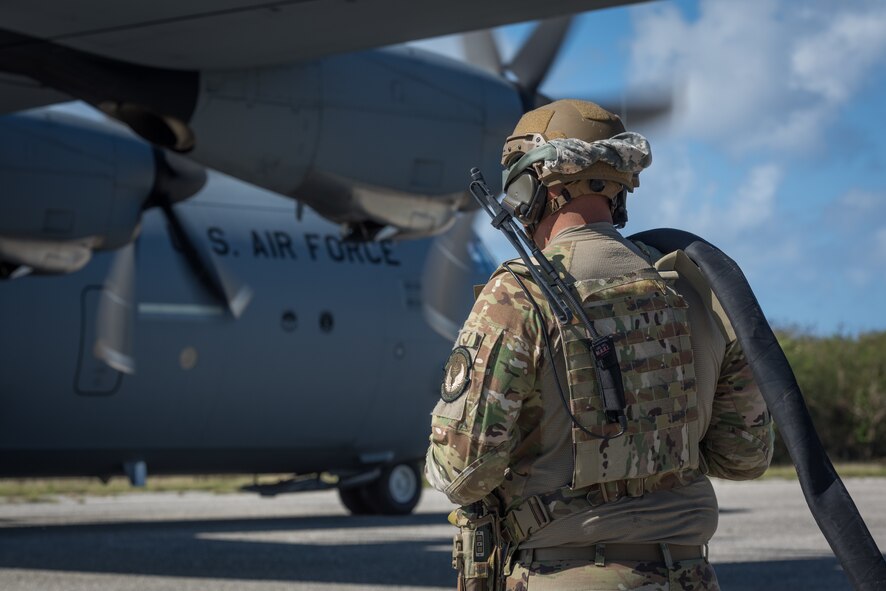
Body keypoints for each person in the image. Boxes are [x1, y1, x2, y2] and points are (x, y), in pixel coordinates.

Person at [425, 99, 774, 591]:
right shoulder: (699, 288)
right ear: (621, 185)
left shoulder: (517, 296)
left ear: (531, 186)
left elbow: (463, 471)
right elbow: (745, 456)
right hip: (690, 576)